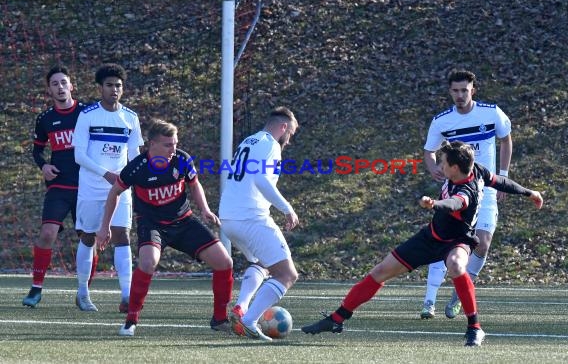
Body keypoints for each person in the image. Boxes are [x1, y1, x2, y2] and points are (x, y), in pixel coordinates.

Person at [301, 140, 543, 347]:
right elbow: (499, 181)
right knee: (379, 272)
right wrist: (528, 192)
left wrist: (434, 204)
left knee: (457, 265)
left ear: (455, 168)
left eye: (442, 163)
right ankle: (337, 318)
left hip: (458, 240)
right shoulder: (476, 170)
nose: (439, 166)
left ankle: (474, 327)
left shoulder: (467, 189)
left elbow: (455, 204)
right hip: (431, 237)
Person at [95, 119, 234, 337]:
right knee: (148, 262)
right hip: (152, 224)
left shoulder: (182, 159)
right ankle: (131, 320)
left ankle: (220, 319)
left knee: (224, 262)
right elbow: (114, 193)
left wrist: (205, 210)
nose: (174, 149)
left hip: (184, 221)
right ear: (152, 145)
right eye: (168, 145)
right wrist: (105, 227)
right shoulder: (137, 167)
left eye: (175, 143)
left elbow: (194, 184)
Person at [420, 69, 513, 320]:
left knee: (482, 243)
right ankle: (429, 301)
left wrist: (502, 176)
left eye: (465, 90)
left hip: (486, 189)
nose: (460, 95)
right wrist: (434, 170)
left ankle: (460, 294)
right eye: (455, 90)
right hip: (456, 191)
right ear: (450, 91)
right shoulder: (442, 121)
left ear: (473, 89)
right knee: (444, 241)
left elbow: (506, 140)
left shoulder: (491, 113)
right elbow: (429, 151)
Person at [219, 107, 300, 342]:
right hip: (250, 218)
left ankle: (241, 308)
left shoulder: (249, 140)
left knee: (261, 263)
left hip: (229, 218)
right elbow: (261, 180)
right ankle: (249, 322)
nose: (289, 140)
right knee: (286, 274)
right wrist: (287, 208)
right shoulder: (271, 144)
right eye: (291, 134)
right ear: (283, 127)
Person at [23, 65, 98, 308]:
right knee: (47, 234)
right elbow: (37, 150)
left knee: (88, 239)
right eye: (55, 83)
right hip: (59, 186)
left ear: (71, 86)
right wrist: (43, 165)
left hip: (87, 186)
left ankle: (84, 291)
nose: (60, 87)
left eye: (64, 82)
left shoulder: (88, 113)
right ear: (49, 90)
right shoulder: (45, 119)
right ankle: (36, 288)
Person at [72, 63, 144, 312]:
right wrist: (105, 174)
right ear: (100, 87)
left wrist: (132, 178)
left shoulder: (130, 118)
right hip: (92, 187)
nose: (115, 90)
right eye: (110, 85)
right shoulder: (88, 115)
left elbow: (135, 155)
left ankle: (127, 296)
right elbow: (79, 156)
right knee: (89, 237)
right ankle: (82, 293)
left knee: (122, 235)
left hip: (120, 188)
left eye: (119, 86)